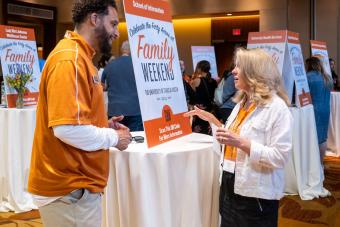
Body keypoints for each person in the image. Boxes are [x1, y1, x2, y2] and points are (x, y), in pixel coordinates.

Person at [28, 1, 132, 227]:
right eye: (113, 23)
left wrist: (103, 124)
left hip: (75, 189)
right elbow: (67, 129)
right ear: (94, 19)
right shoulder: (70, 59)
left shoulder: (80, 57)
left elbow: (76, 119)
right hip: (69, 190)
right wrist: (114, 138)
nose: (116, 32)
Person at [185, 48, 292, 227]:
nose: (233, 70)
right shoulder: (242, 103)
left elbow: (280, 157)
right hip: (229, 186)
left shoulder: (277, 108)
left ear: (255, 72)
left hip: (254, 196)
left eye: (239, 67)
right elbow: (230, 136)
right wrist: (211, 119)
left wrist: (240, 142)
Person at [101, 40, 143, 131]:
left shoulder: (109, 66)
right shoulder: (138, 65)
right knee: (136, 141)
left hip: (115, 111)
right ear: (131, 50)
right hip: (135, 109)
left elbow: (102, 87)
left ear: (121, 50)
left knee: (116, 142)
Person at [306, 56, 332, 164]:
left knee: (313, 138)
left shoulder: (308, 77)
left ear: (309, 65)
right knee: (322, 138)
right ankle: (320, 164)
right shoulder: (327, 77)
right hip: (325, 110)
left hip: (314, 111)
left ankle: (313, 166)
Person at [190, 60, 217, 134]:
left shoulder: (196, 81)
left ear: (199, 68)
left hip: (200, 111)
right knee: (210, 133)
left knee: (199, 135)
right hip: (210, 110)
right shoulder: (214, 81)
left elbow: (192, 95)